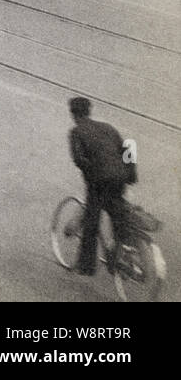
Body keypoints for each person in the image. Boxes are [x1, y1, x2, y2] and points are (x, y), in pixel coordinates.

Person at [68, 97, 136, 276]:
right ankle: (121, 254)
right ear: (89, 111)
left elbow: (79, 160)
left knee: (91, 222)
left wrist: (92, 176)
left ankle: (87, 267)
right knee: (118, 216)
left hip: (99, 182)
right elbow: (127, 151)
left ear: (73, 114)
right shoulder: (108, 128)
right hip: (120, 179)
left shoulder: (76, 132)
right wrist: (130, 176)